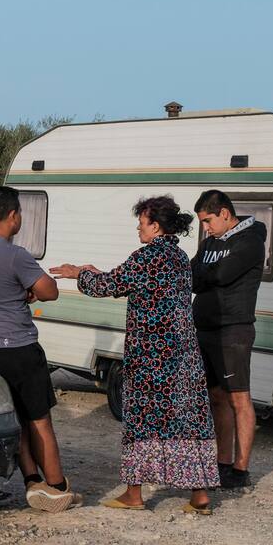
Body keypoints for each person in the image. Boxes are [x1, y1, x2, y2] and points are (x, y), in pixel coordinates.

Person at [51, 196, 219, 513]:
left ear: (155, 226)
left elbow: (108, 285)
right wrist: (96, 273)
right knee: (187, 420)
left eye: (142, 223)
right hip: (183, 355)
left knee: (142, 420)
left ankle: (133, 494)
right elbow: (129, 282)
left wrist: (78, 273)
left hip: (150, 356)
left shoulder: (146, 257)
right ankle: (199, 495)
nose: (138, 229)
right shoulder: (179, 257)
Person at [0, 186, 78, 513]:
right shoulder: (15, 255)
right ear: (13, 215)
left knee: (16, 419)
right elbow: (49, 291)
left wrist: (18, 289)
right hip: (17, 347)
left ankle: (32, 481)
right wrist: (30, 289)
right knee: (39, 419)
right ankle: (57, 486)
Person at [191, 190, 266, 489]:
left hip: (234, 330)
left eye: (208, 220)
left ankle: (240, 469)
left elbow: (222, 274)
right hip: (205, 328)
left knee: (239, 398)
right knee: (216, 397)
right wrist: (206, 274)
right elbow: (192, 276)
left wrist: (206, 274)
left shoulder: (251, 241)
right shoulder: (210, 242)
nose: (205, 227)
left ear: (224, 213)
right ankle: (222, 464)